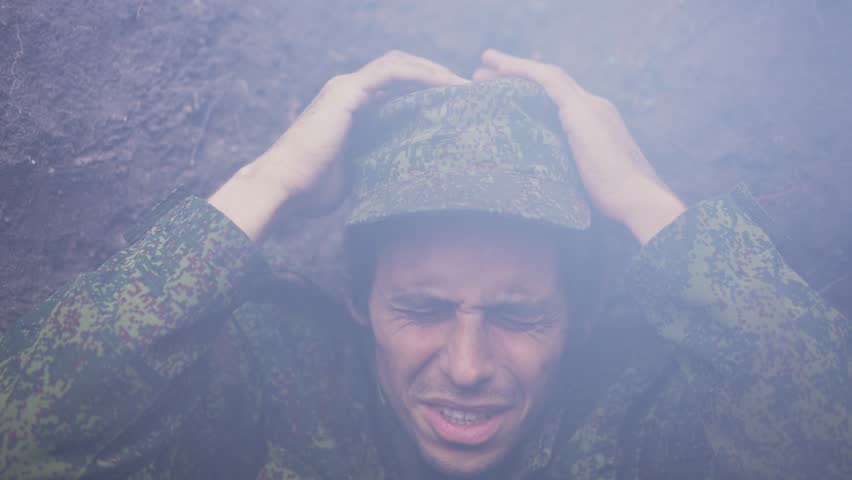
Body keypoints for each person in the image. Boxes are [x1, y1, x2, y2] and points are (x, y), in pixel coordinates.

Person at [0, 49, 849, 479]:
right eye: (423, 308)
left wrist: (640, 198)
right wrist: (272, 183)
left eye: (518, 316)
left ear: (581, 318)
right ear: (358, 298)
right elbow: (21, 436)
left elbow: (829, 437)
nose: (468, 367)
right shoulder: (270, 380)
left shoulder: (643, 414)